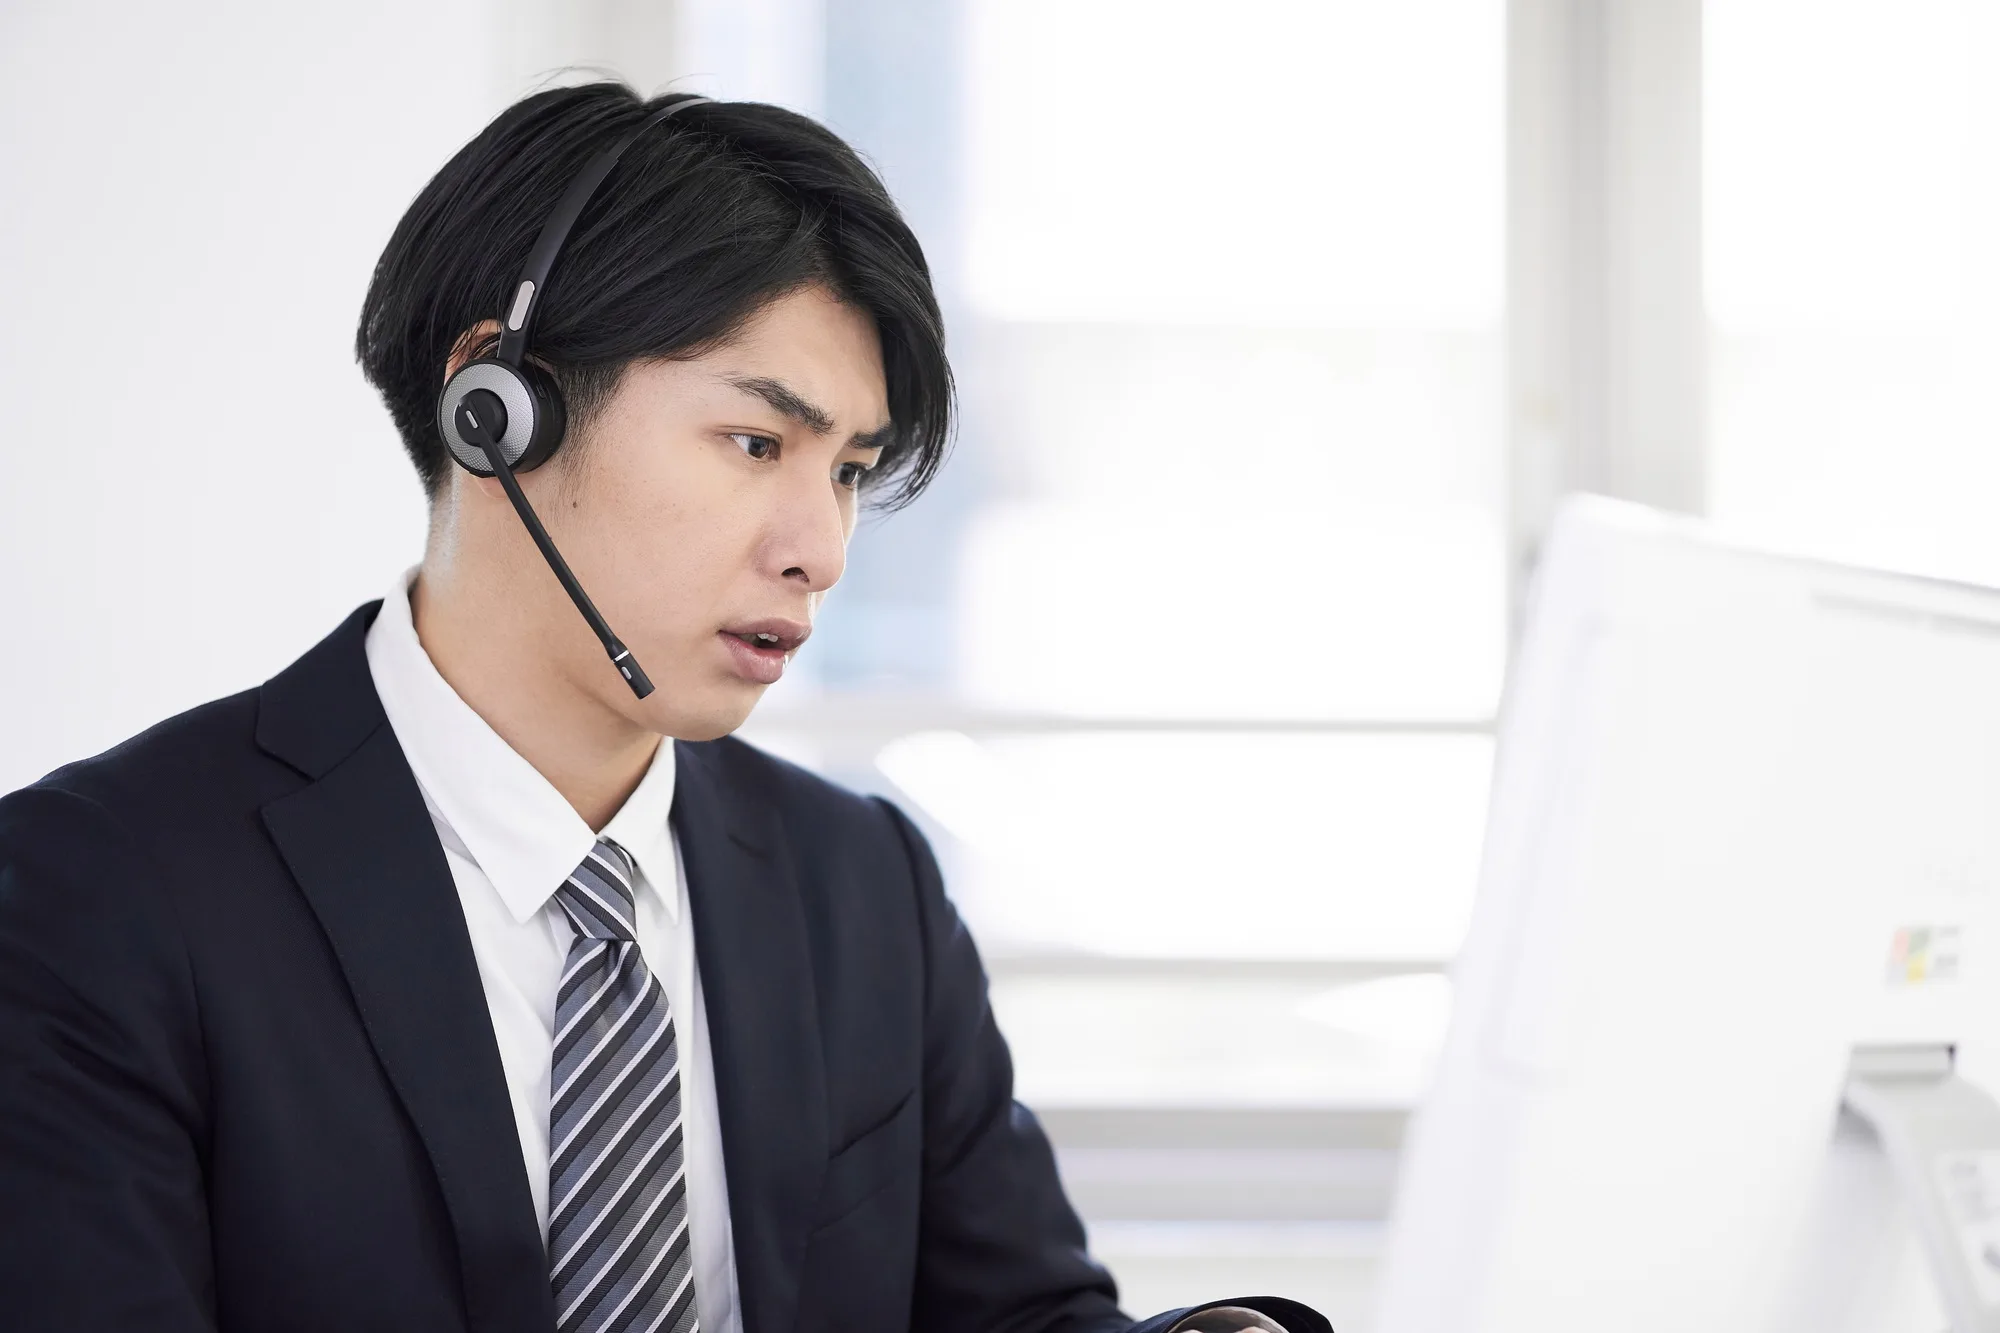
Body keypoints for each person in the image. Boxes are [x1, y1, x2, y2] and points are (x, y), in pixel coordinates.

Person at [0, 82, 1330, 1333]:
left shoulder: (863, 887)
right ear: (496, 409)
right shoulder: (94, 894)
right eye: (758, 445)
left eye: (851, 471)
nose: (821, 548)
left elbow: (1018, 1315)